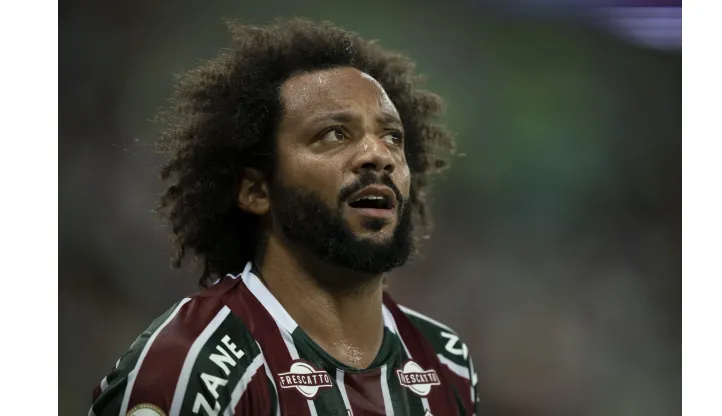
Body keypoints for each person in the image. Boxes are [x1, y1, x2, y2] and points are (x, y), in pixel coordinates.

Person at [90, 18, 479, 416]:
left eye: (392, 137)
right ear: (256, 191)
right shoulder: (192, 365)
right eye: (333, 134)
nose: (378, 155)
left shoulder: (445, 361)